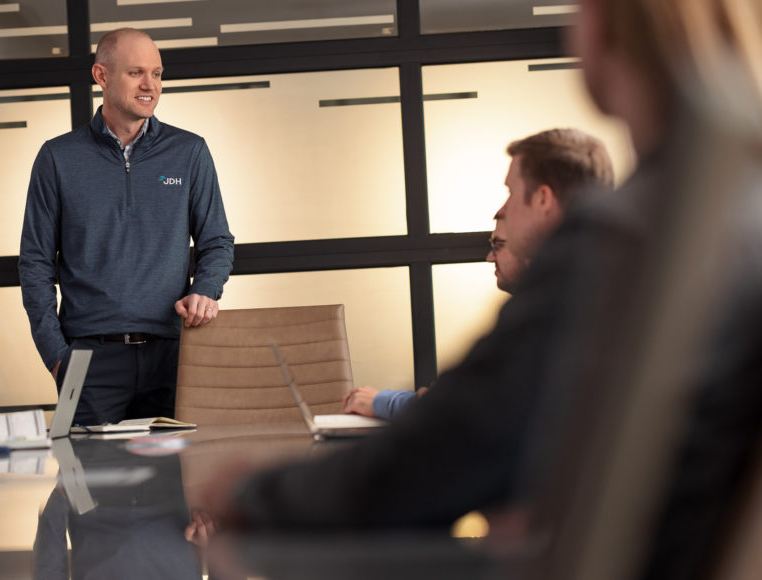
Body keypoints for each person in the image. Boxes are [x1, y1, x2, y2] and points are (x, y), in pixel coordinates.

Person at [217, 0, 762, 555]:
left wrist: (255, 495)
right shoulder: (732, 215)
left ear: (603, 27)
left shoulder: (625, 241)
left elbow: (448, 451)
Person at [20, 28, 235, 427]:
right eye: (136, 72)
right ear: (101, 76)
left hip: (174, 354)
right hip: (83, 358)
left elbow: (217, 241)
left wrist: (205, 289)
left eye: (157, 73)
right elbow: (34, 263)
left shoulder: (190, 152)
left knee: (176, 483)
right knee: (76, 481)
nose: (150, 85)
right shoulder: (57, 157)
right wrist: (56, 358)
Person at [343, 128, 614, 420]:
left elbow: (459, 413)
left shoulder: (547, 308)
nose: (503, 208)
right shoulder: (612, 289)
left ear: (543, 200)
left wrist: (392, 403)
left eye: (510, 192)